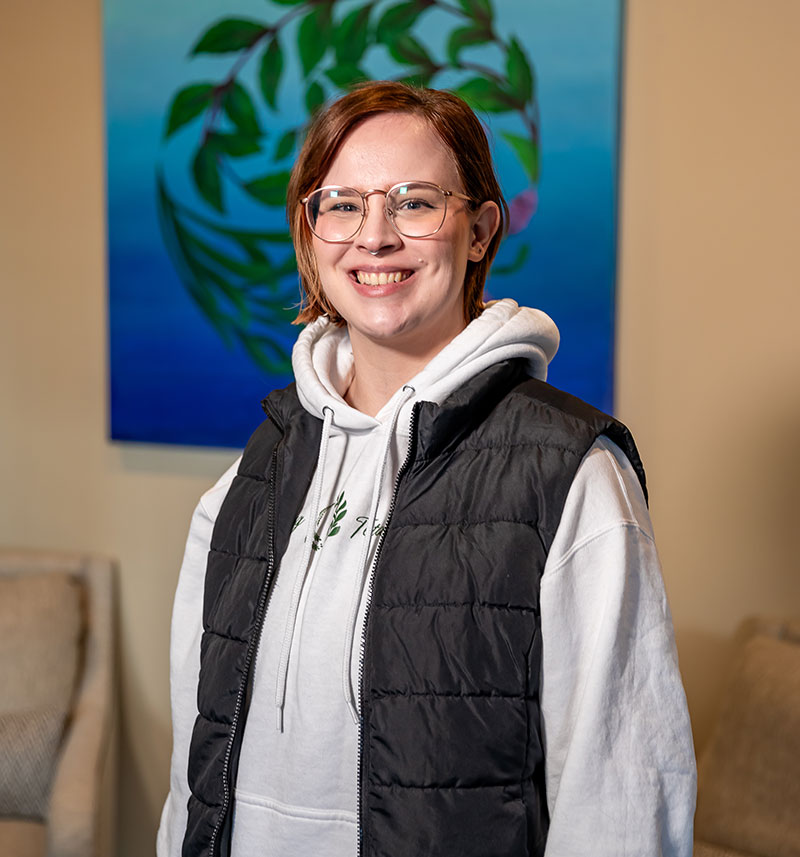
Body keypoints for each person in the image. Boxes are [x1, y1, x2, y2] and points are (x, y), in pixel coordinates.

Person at [157, 81, 696, 857]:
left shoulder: (572, 475)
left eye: (414, 203)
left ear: (478, 231)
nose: (374, 237)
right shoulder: (249, 480)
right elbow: (191, 777)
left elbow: (625, 797)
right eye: (341, 204)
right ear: (310, 234)